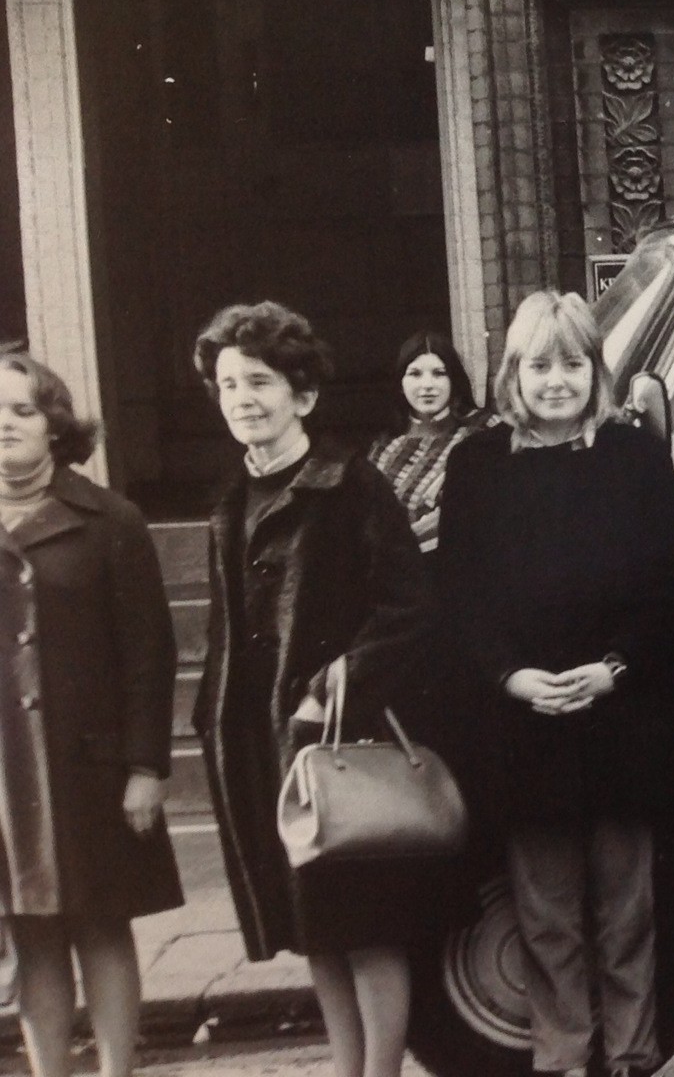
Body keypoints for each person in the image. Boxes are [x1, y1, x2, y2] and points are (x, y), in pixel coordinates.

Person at [438, 290, 674, 1077]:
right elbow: (460, 594)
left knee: (627, 911)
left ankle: (630, 1055)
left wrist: (615, 668)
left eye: (573, 363)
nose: (557, 380)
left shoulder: (635, 456)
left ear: (596, 370)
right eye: (541, 364)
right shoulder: (478, 465)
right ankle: (561, 1056)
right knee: (546, 915)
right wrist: (511, 677)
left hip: (620, 715)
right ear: (514, 371)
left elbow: (670, 585)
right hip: (527, 721)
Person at [190, 303, 435, 1077]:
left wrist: (342, 678)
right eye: (228, 385)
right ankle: (345, 1066)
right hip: (265, 744)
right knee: (311, 927)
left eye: (258, 382)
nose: (242, 399)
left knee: (362, 926)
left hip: (339, 744)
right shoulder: (232, 502)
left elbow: (411, 610)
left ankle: (381, 1072)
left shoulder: (352, 486)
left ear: (303, 394)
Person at [0, 352, 181, 1077]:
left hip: (91, 766)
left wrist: (145, 768)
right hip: (5, 772)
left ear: (55, 425)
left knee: (103, 928)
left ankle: (115, 1072)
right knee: (30, 934)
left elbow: (150, 654)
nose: (4, 426)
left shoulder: (111, 518)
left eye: (21, 411)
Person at [365, 330, 488, 553]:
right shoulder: (382, 451)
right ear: (400, 383)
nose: (427, 385)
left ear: (454, 380)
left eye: (439, 373)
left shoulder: (482, 435)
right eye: (415, 374)